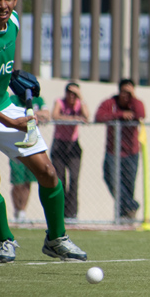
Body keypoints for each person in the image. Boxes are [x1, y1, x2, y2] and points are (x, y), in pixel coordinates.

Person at [0, 0, 86, 263]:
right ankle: (4, 240)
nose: (3, 5)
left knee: (47, 172)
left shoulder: (15, 22)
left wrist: (13, 78)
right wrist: (10, 122)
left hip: (4, 106)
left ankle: (56, 238)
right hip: (3, 115)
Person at [95, 79, 146, 221]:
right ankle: (132, 205)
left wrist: (133, 97)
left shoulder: (136, 103)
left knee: (129, 184)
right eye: (124, 91)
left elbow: (141, 114)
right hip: (113, 151)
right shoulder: (110, 103)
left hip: (131, 152)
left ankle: (125, 216)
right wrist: (120, 115)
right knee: (110, 178)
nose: (126, 95)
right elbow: (99, 116)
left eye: (129, 92)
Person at [50, 83, 89, 223]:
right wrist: (73, 119)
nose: (72, 96)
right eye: (70, 93)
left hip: (73, 146)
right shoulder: (60, 102)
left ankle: (71, 214)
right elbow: (55, 115)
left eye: (75, 94)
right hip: (59, 145)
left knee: (74, 180)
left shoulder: (79, 104)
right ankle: (59, 213)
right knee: (60, 180)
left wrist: (81, 98)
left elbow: (86, 116)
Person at [9, 94, 50, 222]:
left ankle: (22, 211)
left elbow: (46, 115)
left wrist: (31, 114)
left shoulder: (38, 99)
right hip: (16, 144)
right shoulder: (13, 99)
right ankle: (17, 208)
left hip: (32, 145)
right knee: (18, 181)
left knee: (28, 181)